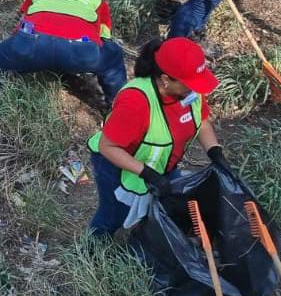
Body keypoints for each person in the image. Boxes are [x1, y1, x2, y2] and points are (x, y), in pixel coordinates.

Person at [87, 36, 225, 238]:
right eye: (189, 83)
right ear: (166, 79)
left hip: (162, 164)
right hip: (117, 163)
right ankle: (93, 249)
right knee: (114, 214)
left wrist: (215, 153)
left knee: (172, 203)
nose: (194, 88)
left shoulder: (189, 90)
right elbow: (108, 146)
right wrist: (148, 174)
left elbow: (201, 120)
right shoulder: (136, 102)